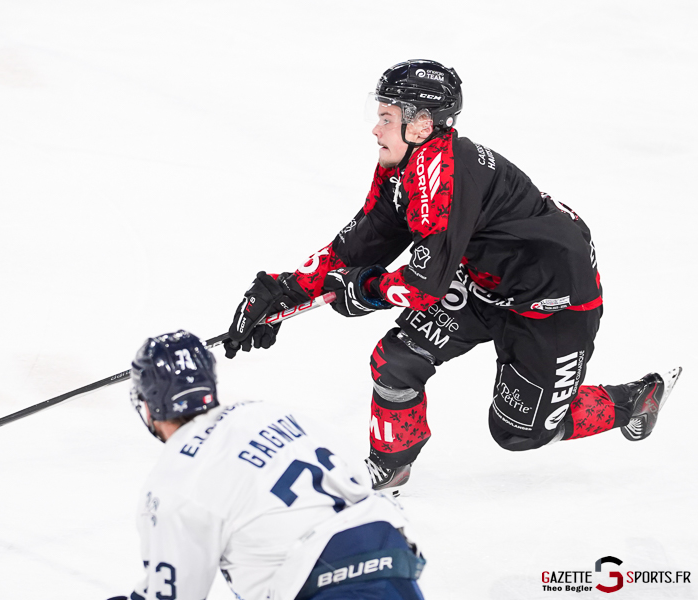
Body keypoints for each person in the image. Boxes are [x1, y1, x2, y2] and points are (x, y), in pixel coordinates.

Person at [223, 59, 682, 492]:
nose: (375, 128)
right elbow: (365, 240)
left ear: (421, 124)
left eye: (386, 117)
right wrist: (283, 290)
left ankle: (633, 400)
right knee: (396, 361)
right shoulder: (405, 167)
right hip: (482, 282)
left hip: (551, 299)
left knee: (519, 433)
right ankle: (389, 467)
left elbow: (423, 286)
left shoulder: (443, 173)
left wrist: (363, 289)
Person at [109, 330, 426, 600]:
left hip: (322, 583)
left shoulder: (175, 478)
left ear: (148, 406)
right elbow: (354, 472)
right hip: (391, 556)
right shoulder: (268, 413)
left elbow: (174, 593)